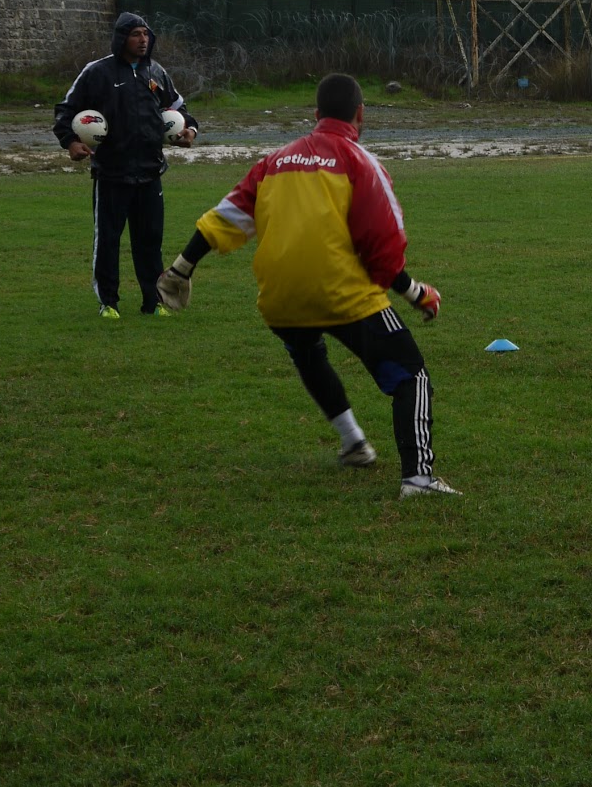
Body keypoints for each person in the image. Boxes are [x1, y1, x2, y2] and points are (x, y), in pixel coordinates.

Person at [156, 72, 459, 499]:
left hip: (280, 299)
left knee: (307, 351)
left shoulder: (274, 161)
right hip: (343, 294)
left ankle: (353, 441)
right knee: (412, 376)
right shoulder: (361, 162)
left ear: (315, 115)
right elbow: (382, 250)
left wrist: (180, 270)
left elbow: (225, 218)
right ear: (361, 114)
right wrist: (417, 294)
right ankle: (419, 479)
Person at [53, 10, 197, 318]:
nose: (143, 39)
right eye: (136, 34)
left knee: (150, 242)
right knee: (107, 242)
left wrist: (189, 130)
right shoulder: (97, 72)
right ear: (122, 38)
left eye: (146, 34)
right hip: (111, 174)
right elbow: (65, 111)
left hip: (150, 172)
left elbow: (179, 108)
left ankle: (154, 302)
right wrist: (71, 142)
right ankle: (109, 303)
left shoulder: (156, 72)